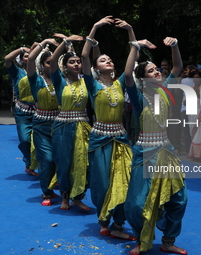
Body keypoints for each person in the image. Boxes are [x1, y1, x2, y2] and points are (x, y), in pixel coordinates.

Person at [124, 37, 188, 255]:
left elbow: (178, 66)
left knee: (179, 200)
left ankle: (168, 240)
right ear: (142, 79)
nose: (157, 72)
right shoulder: (139, 97)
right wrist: (135, 47)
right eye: (151, 71)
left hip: (166, 151)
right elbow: (127, 76)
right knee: (136, 203)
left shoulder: (165, 90)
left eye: (158, 69)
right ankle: (142, 238)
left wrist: (175, 45)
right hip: (144, 153)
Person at [81, 16, 135, 240]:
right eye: (103, 59)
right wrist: (94, 27)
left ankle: (119, 224)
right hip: (99, 138)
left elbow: (133, 59)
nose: (108, 60)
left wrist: (131, 32)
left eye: (110, 59)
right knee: (102, 182)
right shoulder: (92, 84)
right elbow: (84, 54)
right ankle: (103, 219)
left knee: (125, 180)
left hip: (121, 139)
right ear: (96, 68)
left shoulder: (122, 82)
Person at [49, 33, 91, 210]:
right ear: (65, 66)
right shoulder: (59, 81)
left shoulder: (87, 81)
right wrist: (66, 43)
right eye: (71, 62)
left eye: (78, 62)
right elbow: (52, 62)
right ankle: (65, 196)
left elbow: (90, 59)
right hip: (63, 127)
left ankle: (78, 196)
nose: (76, 64)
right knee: (65, 162)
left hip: (83, 126)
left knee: (83, 163)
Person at [27, 38, 60, 206]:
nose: (52, 65)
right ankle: (46, 192)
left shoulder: (61, 79)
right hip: (41, 126)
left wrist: (67, 45)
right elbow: (31, 59)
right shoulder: (36, 80)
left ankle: (60, 188)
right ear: (42, 65)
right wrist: (44, 42)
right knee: (46, 159)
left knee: (60, 158)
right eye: (48, 62)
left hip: (60, 124)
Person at [4, 44, 39, 177]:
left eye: (32, 55)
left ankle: (44, 168)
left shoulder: (40, 72)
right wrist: (22, 49)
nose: (30, 57)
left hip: (40, 112)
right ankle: (29, 161)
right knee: (25, 140)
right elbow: (7, 59)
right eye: (26, 56)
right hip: (22, 113)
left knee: (40, 141)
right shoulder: (17, 71)